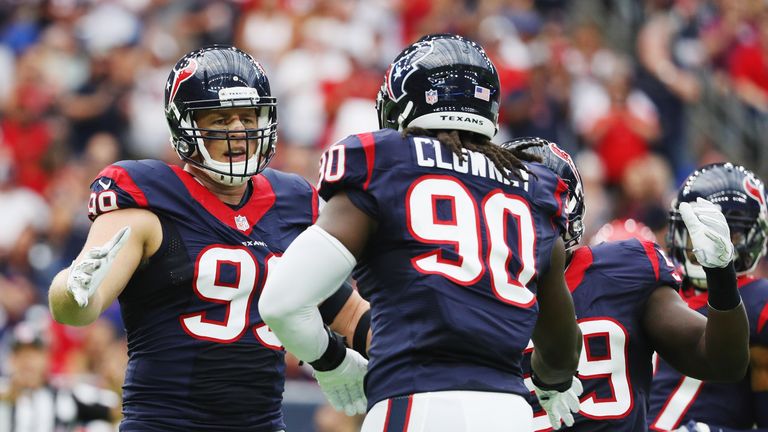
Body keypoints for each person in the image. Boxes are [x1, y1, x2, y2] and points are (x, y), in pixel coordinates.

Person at [259, 33, 583, 431]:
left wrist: (333, 364)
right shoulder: (536, 189)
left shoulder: (387, 161)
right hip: (510, 414)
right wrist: (553, 384)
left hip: (416, 405)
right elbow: (559, 353)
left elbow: (281, 301)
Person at [47, 45, 370, 431]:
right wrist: (70, 288)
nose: (238, 131)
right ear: (184, 126)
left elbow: (349, 314)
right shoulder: (149, 198)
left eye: (248, 117)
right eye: (219, 119)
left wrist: (430, 356)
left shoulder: (293, 201)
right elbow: (80, 306)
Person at [503, 139, 750, 431]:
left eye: (541, 208)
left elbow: (721, 361)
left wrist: (722, 276)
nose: (532, 222)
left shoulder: (626, 269)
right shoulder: (475, 287)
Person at [647, 163, 768, 432]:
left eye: (730, 233)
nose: (705, 242)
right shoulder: (657, 289)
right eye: (695, 229)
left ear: (754, 237)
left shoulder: (760, 301)